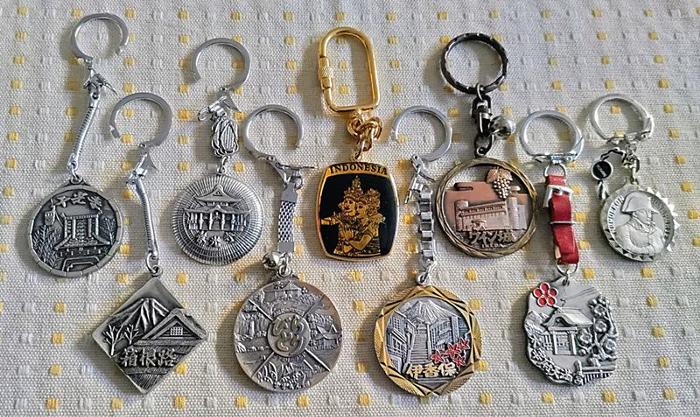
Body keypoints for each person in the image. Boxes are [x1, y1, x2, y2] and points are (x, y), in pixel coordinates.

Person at [321, 176, 384, 256]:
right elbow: (346, 249)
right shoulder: (353, 221)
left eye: (359, 207)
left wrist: (349, 239)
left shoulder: (371, 224)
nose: (356, 210)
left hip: (368, 256)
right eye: (346, 201)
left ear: (368, 209)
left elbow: (360, 245)